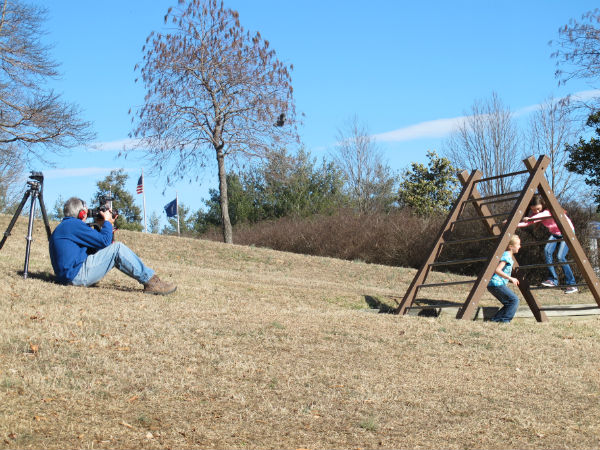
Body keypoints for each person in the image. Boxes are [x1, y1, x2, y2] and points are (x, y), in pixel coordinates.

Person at [49, 197, 176, 295]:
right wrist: (108, 222)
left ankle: (151, 280)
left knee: (113, 249)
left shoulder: (65, 226)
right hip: (76, 276)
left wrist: (103, 226)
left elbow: (98, 245)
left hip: (68, 277)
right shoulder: (74, 225)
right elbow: (105, 241)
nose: (88, 215)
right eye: (86, 213)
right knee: (118, 248)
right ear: (81, 213)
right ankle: (152, 282)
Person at [517, 194, 577, 294]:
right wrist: (511, 223)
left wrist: (530, 218)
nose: (536, 211)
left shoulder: (547, 211)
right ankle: (553, 279)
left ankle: (572, 284)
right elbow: (527, 223)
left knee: (560, 257)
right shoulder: (537, 214)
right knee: (547, 251)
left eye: (538, 209)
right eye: (533, 210)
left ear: (543, 205)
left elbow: (538, 216)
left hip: (567, 232)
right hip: (556, 234)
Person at [487, 235, 522, 323]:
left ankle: (495, 320)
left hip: (494, 284)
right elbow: (497, 270)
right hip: (497, 284)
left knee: (509, 302)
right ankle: (505, 320)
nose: (519, 246)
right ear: (511, 246)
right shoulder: (506, 256)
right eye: (518, 245)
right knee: (514, 300)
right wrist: (510, 278)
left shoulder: (506, 255)